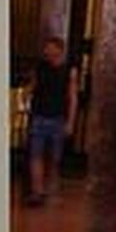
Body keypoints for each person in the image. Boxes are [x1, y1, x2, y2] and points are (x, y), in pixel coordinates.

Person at [25, 36, 77, 206]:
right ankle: (37, 191)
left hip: (58, 117)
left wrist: (70, 121)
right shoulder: (40, 67)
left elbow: (72, 96)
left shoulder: (69, 71)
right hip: (40, 115)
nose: (47, 51)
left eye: (51, 48)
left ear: (59, 50)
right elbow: (32, 88)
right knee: (36, 154)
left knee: (54, 158)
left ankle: (49, 188)